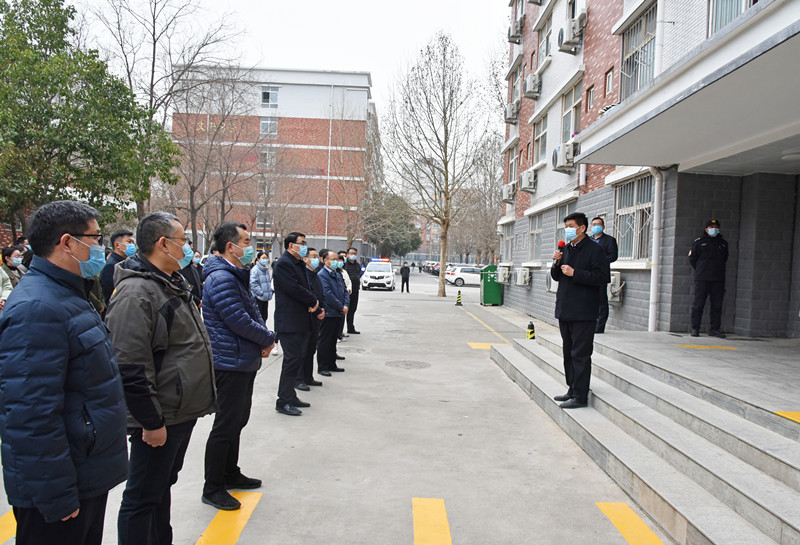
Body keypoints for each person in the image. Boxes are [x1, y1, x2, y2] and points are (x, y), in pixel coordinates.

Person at [0, 200, 128, 545]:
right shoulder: (37, 308)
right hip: (60, 486)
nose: (100, 247)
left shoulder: (68, 295)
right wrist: (56, 493)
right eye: (96, 238)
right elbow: (30, 415)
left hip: (83, 472)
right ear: (68, 242)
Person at [106, 212, 215, 545]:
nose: (188, 247)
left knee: (159, 488)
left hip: (178, 410)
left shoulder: (170, 282)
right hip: (159, 415)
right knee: (142, 497)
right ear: (163, 244)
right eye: (183, 241)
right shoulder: (137, 293)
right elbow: (131, 366)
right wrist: (151, 421)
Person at [201, 222, 275, 510]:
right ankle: (213, 487)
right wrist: (267, 338)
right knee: (225, 425)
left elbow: (252, 312)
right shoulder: (221, 278)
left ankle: (230, 472)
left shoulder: (234, 274)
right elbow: (237, 320)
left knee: (238, 420)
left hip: (241, 359)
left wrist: (263, 337)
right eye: (245, 242)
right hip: (228, 362)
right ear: (230, 247)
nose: (250, 247)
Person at [550, 212, 610, 410]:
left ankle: (580, 395)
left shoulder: (595, 250)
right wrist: (556, 263)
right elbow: (557, 277)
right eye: (566, 226)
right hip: (565, 308)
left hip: (584, 311)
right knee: (568, 352)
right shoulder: (566, 248)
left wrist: (576, 273)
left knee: (580, 354)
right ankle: (572, 388)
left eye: (571, 226)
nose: (567, 230)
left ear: (582, 228)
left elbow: (602, 278)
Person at [272, 232, 321, 416]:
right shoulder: (284, 264)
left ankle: (290, 396)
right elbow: (293, 288)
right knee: (291, 360)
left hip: (301, 320)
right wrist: (313, 301)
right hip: (289, 321)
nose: (304, 246)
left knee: (297, 359)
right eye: (302, 243)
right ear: (291, 245)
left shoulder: (298, 263)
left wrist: (314, 304)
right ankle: (283, 401)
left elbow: (305, 286)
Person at [689, 219, 728, 338]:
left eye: (716, 227)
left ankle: (714, 329)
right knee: (698, 304)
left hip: (718, 279)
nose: (713, 229)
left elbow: (725, 258)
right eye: (711, 227)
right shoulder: (699, 243)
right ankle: (695, 328)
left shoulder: (723, 243)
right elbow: (693, 259)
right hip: (702, 278)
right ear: (706, 229)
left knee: (717, 305)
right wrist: (701, 269)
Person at [317, 250, 348, 377]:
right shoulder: (322, 275)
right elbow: (327, 294)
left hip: (338, 312)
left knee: (333, 340)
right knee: (325, 340)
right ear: (325, 261)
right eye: (333, 259)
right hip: (329, 312)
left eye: (337, 259)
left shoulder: (337, 274)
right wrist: (340, 306)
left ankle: (331, 364)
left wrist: (346, 305)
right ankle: (323, 366)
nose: (336, 262)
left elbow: (345, 291)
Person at [298, 248, 325, 389]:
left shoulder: (315, 275)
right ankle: (299, 379)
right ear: (305, 259)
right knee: (303, 350)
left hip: (316, 317)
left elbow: (321, 294)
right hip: (307, 317)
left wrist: (322, 308)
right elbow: (307, 296)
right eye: (313, 257)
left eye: (316, 257)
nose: (316, 259)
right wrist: (316, 308)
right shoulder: (304, 275)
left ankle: (308, 377)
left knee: (311, 349)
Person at [590, 217, 618, 334]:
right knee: (590, 301)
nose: (596, 226)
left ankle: (599, 327)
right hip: (588, 275)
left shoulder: (609, 240)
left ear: (603, 227)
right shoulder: (588, 240)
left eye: (598, 224)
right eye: (594, 224)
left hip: (601, 275)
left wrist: (600, 260)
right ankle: (590, 325)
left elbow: (613, 256)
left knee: (601, 302)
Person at [100, 230, 136, 305]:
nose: (132, 245)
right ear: (117, 245)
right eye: (129, 242)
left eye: (133, 242)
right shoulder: (111, 265)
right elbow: (110, 293)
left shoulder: (126, 262)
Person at [343, 247, 362, 334]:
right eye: (351, 253)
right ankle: (340, 330)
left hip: (355, 290)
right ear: (347, 254)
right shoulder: (344, 265)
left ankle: (350, 328)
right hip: (346, 291)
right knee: (344, 309)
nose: (353, 255)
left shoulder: (358, 265)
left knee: (353, 309)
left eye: (354, 253)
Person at [250, 251, 273, 323]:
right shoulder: (255, 270)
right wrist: (261, 292)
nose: (265, 260)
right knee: (258, 318)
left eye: (266, 258)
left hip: (265, 298)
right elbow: (253, 283)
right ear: (258, 259)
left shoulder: (265, 270)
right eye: (263, 258)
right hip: (258, 298)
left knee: (264, 317)